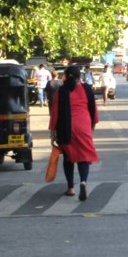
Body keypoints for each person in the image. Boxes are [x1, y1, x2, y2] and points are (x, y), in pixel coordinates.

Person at [49, 64, 99, 200]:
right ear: (79, 77)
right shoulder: (87, 89)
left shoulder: (62, 91)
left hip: (66, 126)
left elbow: (55, 112)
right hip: (83, 125)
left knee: (68, 157)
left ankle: (71, 188)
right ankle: (83, 181)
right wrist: (92, 127)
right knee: (84, 156)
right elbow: (93, 110)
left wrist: (53, 131)